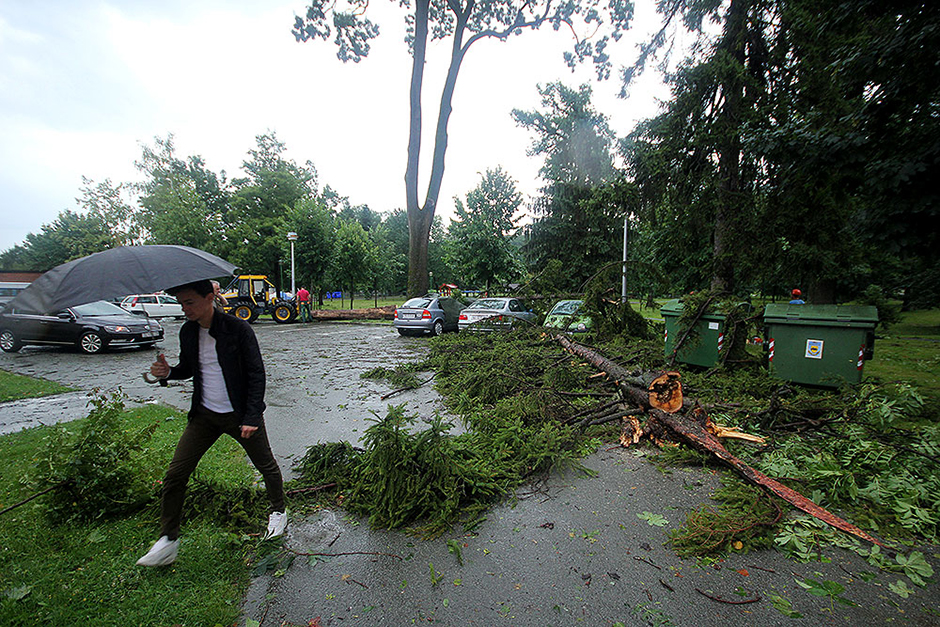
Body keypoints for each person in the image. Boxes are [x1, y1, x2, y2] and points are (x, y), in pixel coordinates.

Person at [137, 279, 286, 567]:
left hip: (239, 415)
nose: (185, 309)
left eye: (189, 302)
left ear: (209, 298)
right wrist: (167, 372)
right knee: (176, 474)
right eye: (181, 304)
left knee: (266, 465)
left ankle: (278, 513)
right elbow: (189, 369)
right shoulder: (188, 331)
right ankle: (168, 540)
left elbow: (257, 374)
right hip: (204, 416)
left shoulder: (238, 329)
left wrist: (252, 416)